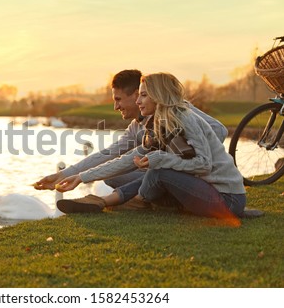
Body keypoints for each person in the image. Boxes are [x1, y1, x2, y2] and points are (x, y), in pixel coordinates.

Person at [55, 72, 246, 224]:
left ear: (158, 96)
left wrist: (161, 159)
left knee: (159, 173)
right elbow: (127, 159)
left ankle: (117, 201)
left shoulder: (184, 117)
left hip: (226, 199)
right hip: (206, 190)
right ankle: (109, 201)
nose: (138, 102)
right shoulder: (158, 124)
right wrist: (80, 177)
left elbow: (204, 164)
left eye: (144, 95)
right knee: (151, 171)